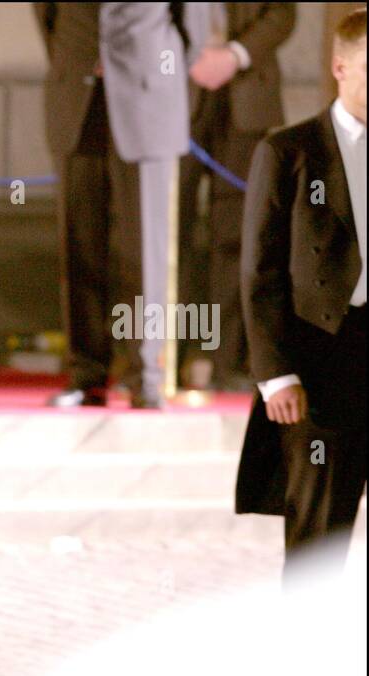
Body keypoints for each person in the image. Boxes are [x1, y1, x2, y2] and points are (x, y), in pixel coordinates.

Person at [235, 7, 367, 586]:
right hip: (322, 363)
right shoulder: (288, 150)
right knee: (319, 535)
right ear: (340, 66)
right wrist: (276, 374)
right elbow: (259, 271)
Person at [36, 2, 207, 409]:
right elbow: (48, 18)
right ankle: (86, 374)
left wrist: (144, 68)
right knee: (79, 247)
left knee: (143, 251)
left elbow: (191, 35)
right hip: (77, 101)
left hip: (145, 101)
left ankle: (143, 373)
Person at [180, 2, 296, 392]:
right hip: (175, 98)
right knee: (168, 239)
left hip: (248, 97)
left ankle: (227, 358)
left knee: (235, 238)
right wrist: (184, 58)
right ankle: (169, 359)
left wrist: (235, 55)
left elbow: (282, 15)